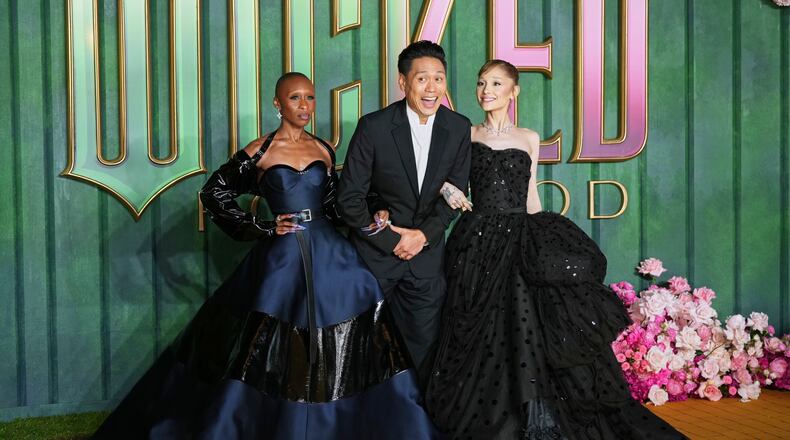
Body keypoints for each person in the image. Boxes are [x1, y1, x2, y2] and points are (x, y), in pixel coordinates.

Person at [92, 72, 437, 440]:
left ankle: (349, 421)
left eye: (310, 98)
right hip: (283, 258)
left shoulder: (323, 149)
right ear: (278, 104)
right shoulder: (259, 150)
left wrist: (376, 209)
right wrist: (263, 228)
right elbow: (214, 194)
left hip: (331, 254)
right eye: (295, 99)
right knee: (273, 340)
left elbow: (335, 206)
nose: (304, 106)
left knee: (357, 318)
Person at [425, 60, 687, 440]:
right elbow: (441, 178)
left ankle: (538, 417)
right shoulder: (465, 133)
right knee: (481, 328)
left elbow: (530, 196)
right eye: (482, 83)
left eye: (496, 84)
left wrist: (544, 238)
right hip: (477, 241)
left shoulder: (530, 138)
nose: (486, 90)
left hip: (519, 238)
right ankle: (490, 416)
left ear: (513, 92)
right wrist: (448, 189)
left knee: (525, 321)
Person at [337, 41, 472, 388]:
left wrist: (422, 236)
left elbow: (454, 194)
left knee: (424, 356)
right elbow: (349, 199)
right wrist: (394, 239)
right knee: (362, 354)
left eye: (439, 79)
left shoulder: (458, 128)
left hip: (426, 263)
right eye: (422, 79)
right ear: (402, 82)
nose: (432, 88)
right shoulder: (374, 127)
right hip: (374, 261)